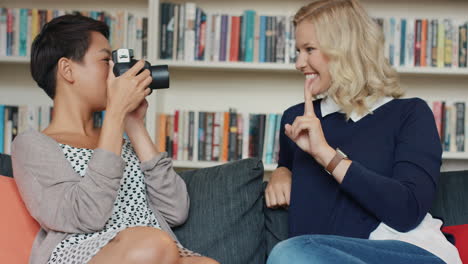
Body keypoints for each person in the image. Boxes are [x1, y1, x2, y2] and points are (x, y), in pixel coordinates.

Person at [265, 0, 462, 263]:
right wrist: (282, 170)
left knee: (289, 254)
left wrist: (325, 154)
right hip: (325, 255)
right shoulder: (297, 119)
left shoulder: (410, 114)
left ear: (345, 49)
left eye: (309, 49)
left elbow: (407, 211)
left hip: (408, 250)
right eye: (298, 50)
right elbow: (292, 169)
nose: (299, 63)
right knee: (293, 253)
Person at [11, 14, 218, 264]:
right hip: (85, 251)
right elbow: (86, 215)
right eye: (106, 60)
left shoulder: (120, 140)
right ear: (67, 70)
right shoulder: (33, 145)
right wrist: (116, 112)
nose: (116, 72)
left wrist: (135, 125)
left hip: (157, 250)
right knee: (152, 245)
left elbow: (175, 211)